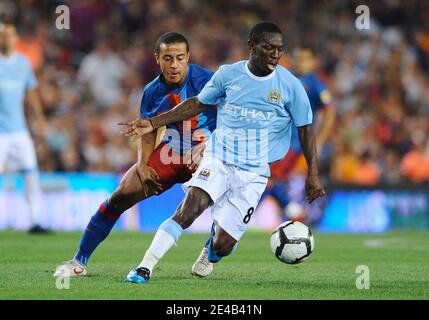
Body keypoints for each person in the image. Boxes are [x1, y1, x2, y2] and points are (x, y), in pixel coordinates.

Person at [120, 22, 326, 284]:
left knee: (223, 245)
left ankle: (211, 250)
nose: (275, 54)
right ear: (251, 47)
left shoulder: (290, 85)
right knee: (189, 209)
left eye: (279, 49)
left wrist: (313, 174)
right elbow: (196, 103)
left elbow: (306, 129)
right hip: (218, 157)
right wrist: (154, 122)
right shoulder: (228, 75)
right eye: (268, 48)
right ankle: (143, 268)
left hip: (254, 173)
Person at [54, 32, 217, 277]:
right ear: (157, 58)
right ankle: (79, 261)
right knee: (119, 197)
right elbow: (148, 130)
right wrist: (142, 165)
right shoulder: (153, 90)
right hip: (172, 152)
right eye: (168, 58)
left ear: (188, 58)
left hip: (209, 153)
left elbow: (231, 116)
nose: (174, 65)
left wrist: (210, 146)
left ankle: (211, 251)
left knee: (212, 204)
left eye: (180, 58)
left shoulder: (209, 80)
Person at [263, 45, 335, 221]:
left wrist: (321, 139)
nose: (299, 62)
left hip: (293, 143)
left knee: (264, 178)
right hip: (275, 139)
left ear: (313, 61)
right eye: (297, 58)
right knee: (266, 178)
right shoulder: (285, 79)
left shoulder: (316, 85)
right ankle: (294, 212)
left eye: (304, 59)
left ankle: (292, 211)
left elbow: (329, 112)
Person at [0, 22, 49, 234]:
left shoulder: (23, 63)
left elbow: (31, 94)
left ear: (15, 39)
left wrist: (40, 118)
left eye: (9, 36)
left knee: (31, 173)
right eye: (3, 36)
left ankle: (34, 220)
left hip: (19, 131)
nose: (6, 39)